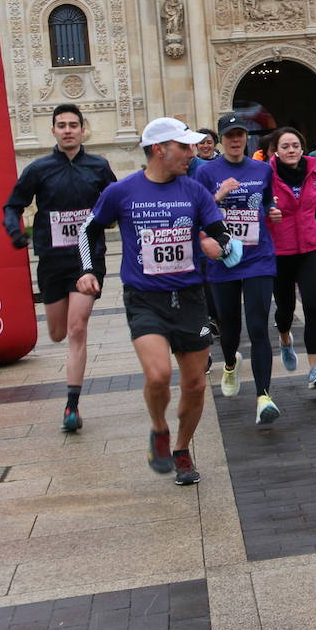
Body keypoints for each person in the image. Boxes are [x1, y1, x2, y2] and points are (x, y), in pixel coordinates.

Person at [77, 117, 238, 486]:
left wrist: (219, 246)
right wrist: (88, 271)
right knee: (159, 374)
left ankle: (182, 449)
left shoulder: (194, 191)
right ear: (159, 149)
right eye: (184, 147)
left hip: (191, 297)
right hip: (144, 299)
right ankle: (159, 429)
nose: (191, 152)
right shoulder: (123, 191)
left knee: (195, 384)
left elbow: (221, 233)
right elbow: (89, 228)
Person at [3, 104, 117, 433]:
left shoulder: (99, 166)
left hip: (88, 259)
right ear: (52, 131)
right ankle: (71, 388)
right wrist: (15, 233)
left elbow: (116, 201)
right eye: (61, 125)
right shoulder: (39, 169)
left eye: (73, 125)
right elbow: (13, 205)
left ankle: (72, 405)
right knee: (57, 333)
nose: (68, 130)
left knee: (77, 328)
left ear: (83, 130)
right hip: (52, 261)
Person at [194, 113, 284, 425]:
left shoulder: (261, 169)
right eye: (230, 135)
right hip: (223, 261)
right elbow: (197, 212)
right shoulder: (207, 173)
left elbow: (268, 201)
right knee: (229, 329)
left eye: (241, 134)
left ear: (248, 138)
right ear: (221, 139)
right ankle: (230, 363)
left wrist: (272, 212)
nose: (236, 140)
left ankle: (264, 396)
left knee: (258, 326)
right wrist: (219, 195)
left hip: (259, 257)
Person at [268, 126, 316, 389]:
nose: (291, 150)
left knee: (312, 307)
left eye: (295, 145)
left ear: (302, 147)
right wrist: (267, 213)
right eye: (285, 146)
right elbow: (258, 207)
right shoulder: (266, 176)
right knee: (284, 310)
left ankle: (315, 368)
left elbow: (315, 202)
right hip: (280, 250)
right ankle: (285, 338)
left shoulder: (313, 171)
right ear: (276, 151)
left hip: (309, 246)